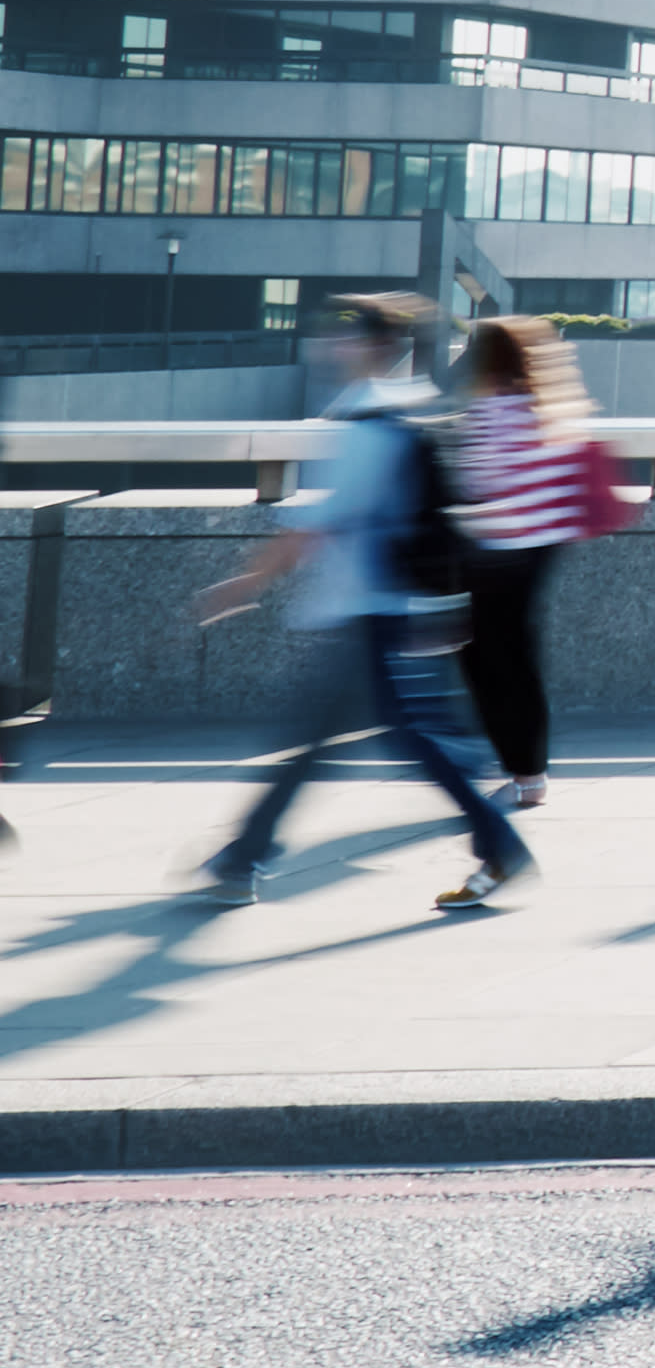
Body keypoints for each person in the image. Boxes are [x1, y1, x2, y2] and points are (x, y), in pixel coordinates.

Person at [191, 296, 531, 911]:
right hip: (375, 608)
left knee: (402, 738)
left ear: (375, 347)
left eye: (346, 336)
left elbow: (321, 523)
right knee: (328, 738)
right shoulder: (394, 412)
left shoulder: (370, 427)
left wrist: (245, 583)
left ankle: (498, 843)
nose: (331, 346)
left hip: (370, 611)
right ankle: (245, 856)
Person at [446, 313, 599, 811]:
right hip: (543, 548)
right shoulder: (549, 409)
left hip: (495, 552)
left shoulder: (489, 411)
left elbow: (475, 485)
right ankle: (531, 773)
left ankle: (517, 767)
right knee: (520, 660)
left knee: (481, 659)